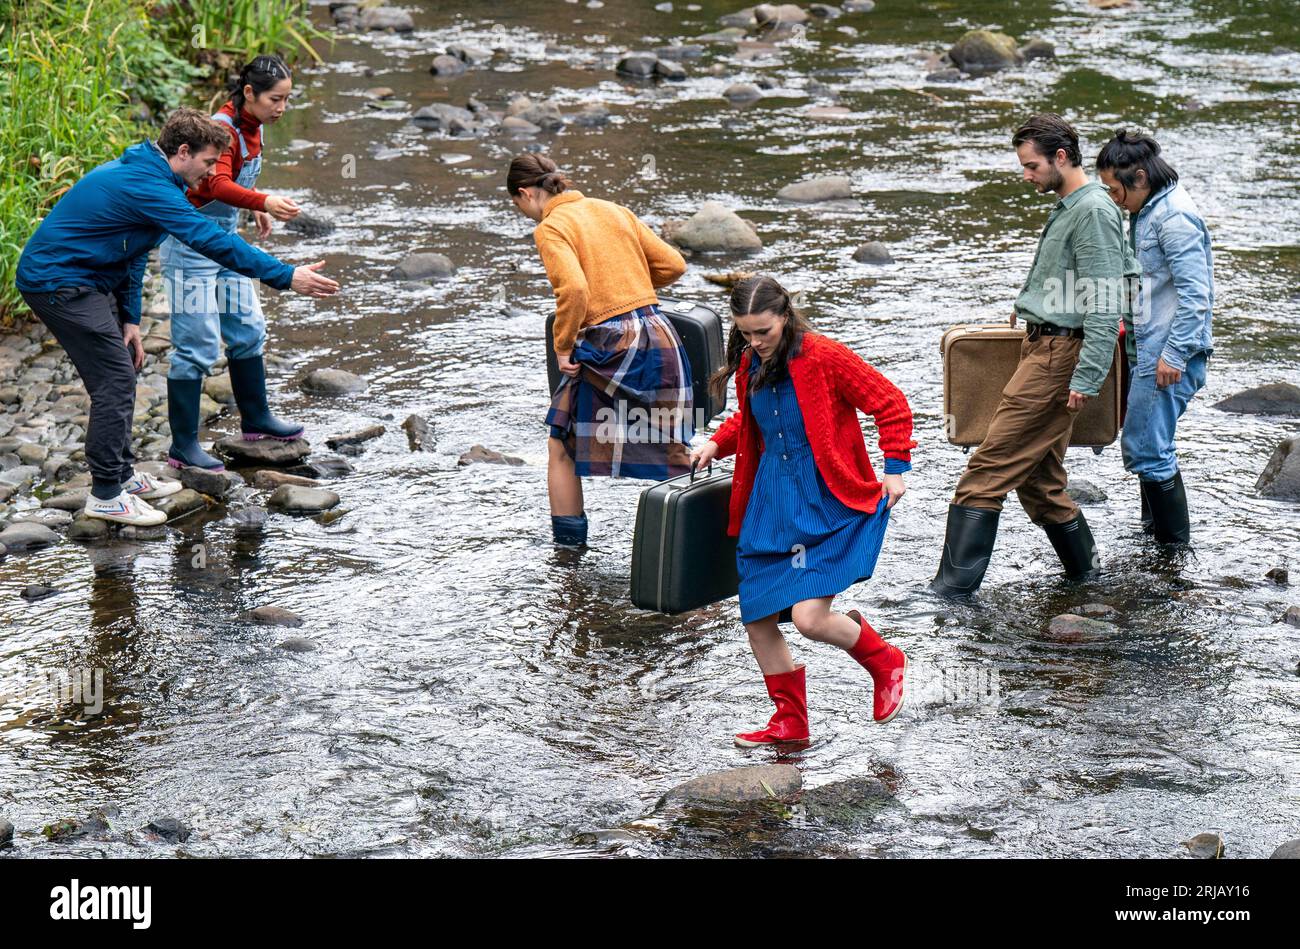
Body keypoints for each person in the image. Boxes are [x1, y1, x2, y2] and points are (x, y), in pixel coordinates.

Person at [16, 107, 338, 527]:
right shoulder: (150, 187)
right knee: (114, 380)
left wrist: (130, 319)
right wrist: (284, 275)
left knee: (119, 374)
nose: (209, 174)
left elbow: (130, 252)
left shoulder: (155, 175)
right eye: (207, 163)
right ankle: (107, 495)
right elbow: (209, 239)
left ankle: (124, 476)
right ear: (183, 151)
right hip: (58, 283)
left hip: (87, 279)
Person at [690, 275, 915, 746]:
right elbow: (750, 421)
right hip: (770, 504)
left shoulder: (824, 356)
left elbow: (889, 402)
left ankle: (886, 661)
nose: (754, 343)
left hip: (827, 500)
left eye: (763, 332)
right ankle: (790, 723)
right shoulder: (751, 362)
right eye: (745, 333)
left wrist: (895, 467)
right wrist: (716, 442)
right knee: (757, 616)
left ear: (785, 316)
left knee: (811, 620)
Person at [931, 113, 1137, 597]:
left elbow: (1106, 304)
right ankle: (1088, 579)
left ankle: (950, 598)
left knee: (983, 476)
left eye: (1031, 166)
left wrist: (1087, 379)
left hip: (1060, 358)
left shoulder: (1092, 211)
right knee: (1041, 486)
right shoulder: (1071, 204)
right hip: (1044, 349)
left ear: (1061, 157)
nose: (1026, 176)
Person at [508, 153, 692, 548]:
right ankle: (691, 547)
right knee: (671, 445)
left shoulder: (551, 226)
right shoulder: (612, 210)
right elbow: (674, 265)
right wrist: (632, 285)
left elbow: (573, 290)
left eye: (517, 205)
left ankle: (569, 551)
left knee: (561, 442)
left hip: (610, 342)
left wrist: (562, 347)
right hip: (658, 332)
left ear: (525, 193)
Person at [162, 55, 306, 472]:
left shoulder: (252, 127)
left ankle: (256, 419)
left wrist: (254, 202)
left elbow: (236, 177)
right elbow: (215, 182)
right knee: (197, 346)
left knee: (248, 328)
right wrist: (263, 201)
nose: (281, 108)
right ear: (249, 93)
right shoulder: (221, 128)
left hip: (225, 242)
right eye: (275, 100)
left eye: (287, 100)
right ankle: (182, 448)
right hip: (189, 246)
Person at [1096, 130, 1213, 544]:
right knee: (1148, 446)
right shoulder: (1147, 210)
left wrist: (1175, 354)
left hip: (1166, 352)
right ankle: (1154, 538)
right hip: (1149, 346)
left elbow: (1196, 294)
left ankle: (1171, 552)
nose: (1112, 197)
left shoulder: (1173, 216)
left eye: (1114, 189)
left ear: (1140, 177)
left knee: (1148, 448)